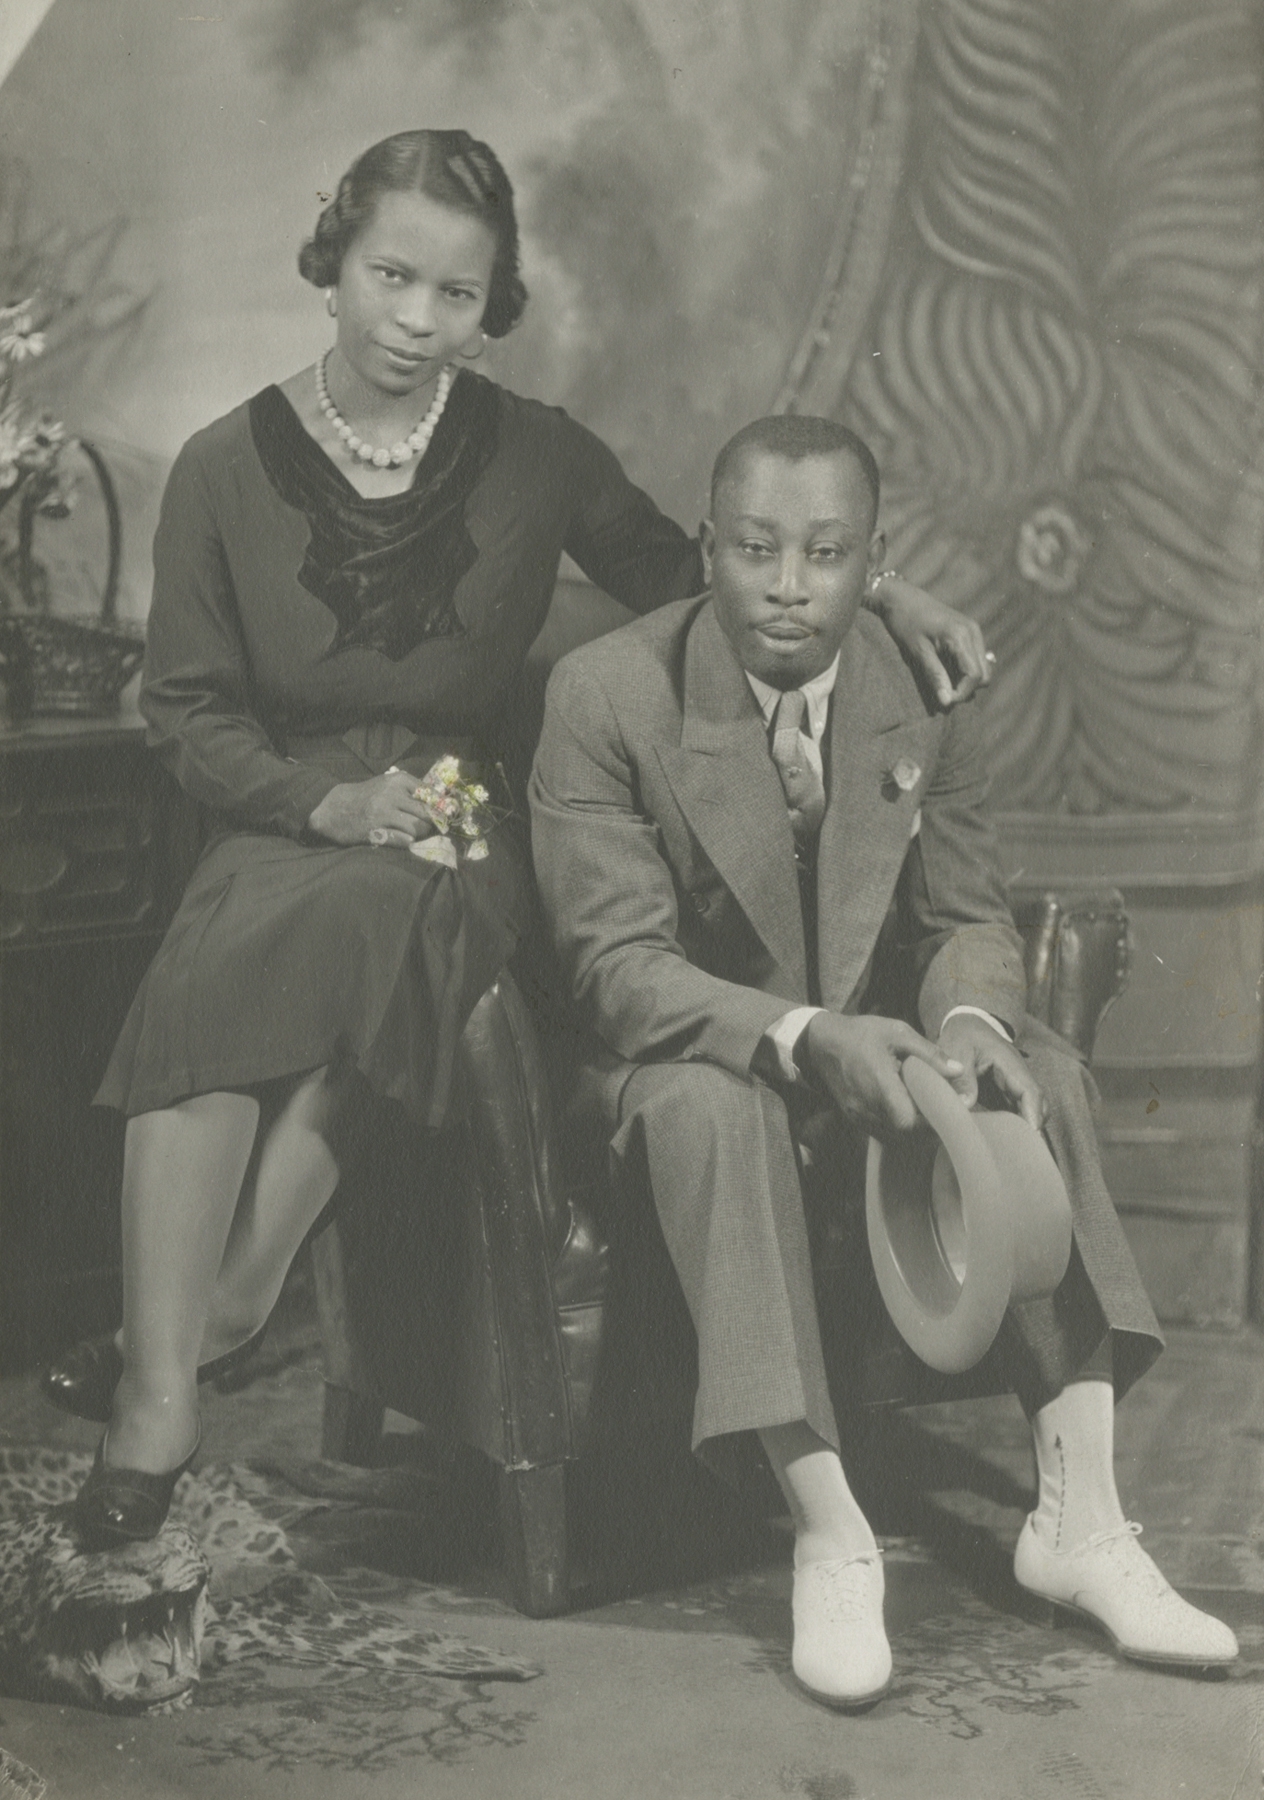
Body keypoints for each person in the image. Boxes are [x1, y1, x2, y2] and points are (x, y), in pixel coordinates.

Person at [50, 131, 988, 1548]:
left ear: (495, 308)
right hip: (280, 808)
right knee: (211, 964)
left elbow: (704, 570)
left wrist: (893, 594)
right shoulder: (219, 468)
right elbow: (182, 709)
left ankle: (228, 1303)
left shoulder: (536, 453)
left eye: (458, 295)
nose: (419, 324)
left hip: (456, 819)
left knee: (396, 909)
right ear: (331, 261)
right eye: (391, 278)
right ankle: (167, 1385)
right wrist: (321, 803)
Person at [527, 414, 1238, 1709]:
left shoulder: (921, 684)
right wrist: (803, 1036)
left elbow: (966, 918)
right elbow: (617, 974)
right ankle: (828, 1525)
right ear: (708, 550)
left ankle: (1079, 1518)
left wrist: (968, 1029)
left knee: (1043, 1072)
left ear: (875, 564)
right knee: (709, 1102)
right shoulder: (609, 696)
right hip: (679, 1063)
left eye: (825, 553)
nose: (789, 584)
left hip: (878, 1057)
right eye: (754, 549)